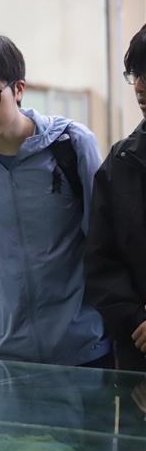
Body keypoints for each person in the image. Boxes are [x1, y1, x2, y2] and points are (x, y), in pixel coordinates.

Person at [0, 32, 110, 366]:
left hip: (83, 352)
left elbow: (106, 246)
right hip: (3, 358)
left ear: (18, 89)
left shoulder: (72, 146)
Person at [84, 24, 146, 372]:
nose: (139, 87)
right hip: (139, 354)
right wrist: (136, 319)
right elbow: (101, 261)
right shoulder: (120, 163)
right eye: (136, 75)